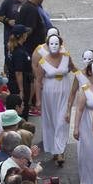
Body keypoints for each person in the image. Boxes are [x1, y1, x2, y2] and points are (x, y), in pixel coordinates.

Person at [33, 28, 75, 166]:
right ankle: (55, 150)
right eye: (51, 44)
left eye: (57, 44)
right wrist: (38, 100)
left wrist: (87, 77)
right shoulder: (43, 61)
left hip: (64, 90)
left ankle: (61, 150)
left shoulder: (66, 56)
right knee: (51, 121)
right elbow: (38, 80)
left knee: (62, 120)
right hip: (49, 94)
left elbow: (74, 68)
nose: (54, 46)